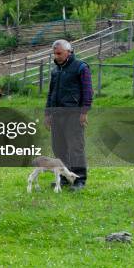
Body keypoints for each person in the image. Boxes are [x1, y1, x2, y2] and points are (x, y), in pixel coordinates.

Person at [44, 39, 93, 192]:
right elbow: (51, 94)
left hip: (73, 114)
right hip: (57, 115)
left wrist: (84, 112)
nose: (56, 56)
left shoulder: (81, 67)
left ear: (68, 52)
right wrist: (48, 114)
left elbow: (88, 91)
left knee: (75, 148)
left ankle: (79, 180)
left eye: (59, 53)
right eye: (54, 53)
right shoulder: (55, 71)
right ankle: (64, 177)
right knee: (59, 148)